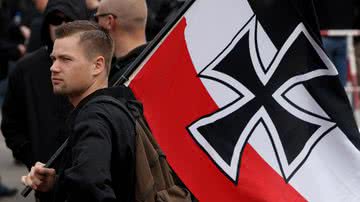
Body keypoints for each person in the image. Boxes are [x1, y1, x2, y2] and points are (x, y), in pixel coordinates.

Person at [21, 20, 136, 202]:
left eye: (66, 59)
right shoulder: (116, 107)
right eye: (53, 59)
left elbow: (89, 187)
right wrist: (55, 184)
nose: (53, 67)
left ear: (97, 65)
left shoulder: (93, 119)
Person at [1, 0, 88, 201]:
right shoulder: (26, 70)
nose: (62, 25)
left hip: (89, 180)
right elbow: (12, 125)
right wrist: (35, 159)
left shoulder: (96, 67)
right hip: (45, 186)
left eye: (70, 20)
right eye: (56, 19)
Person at [95, 0, 148, 86]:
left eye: (97, 18)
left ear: (109, 21)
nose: (96, 23)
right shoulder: (154, 63)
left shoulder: (122, 79)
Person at [314, 0, 355, 86]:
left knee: (327, 76)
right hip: (343, 35)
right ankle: (340, 96)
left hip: (326, 35)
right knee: (341, 79)